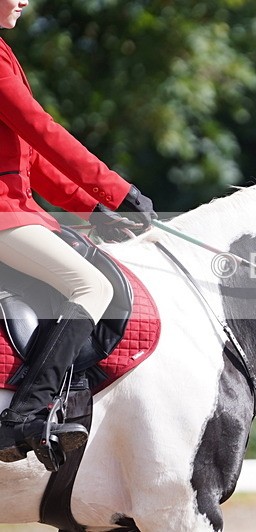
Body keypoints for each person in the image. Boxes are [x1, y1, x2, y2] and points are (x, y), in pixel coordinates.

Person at [0, 0, 156, 465]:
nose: (24, 1)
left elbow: (28, 157)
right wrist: (117, 189)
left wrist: (93, 207)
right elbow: (41, 130)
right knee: (91, 286)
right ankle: (23, 415)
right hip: (4, 214)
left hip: (16, 209)